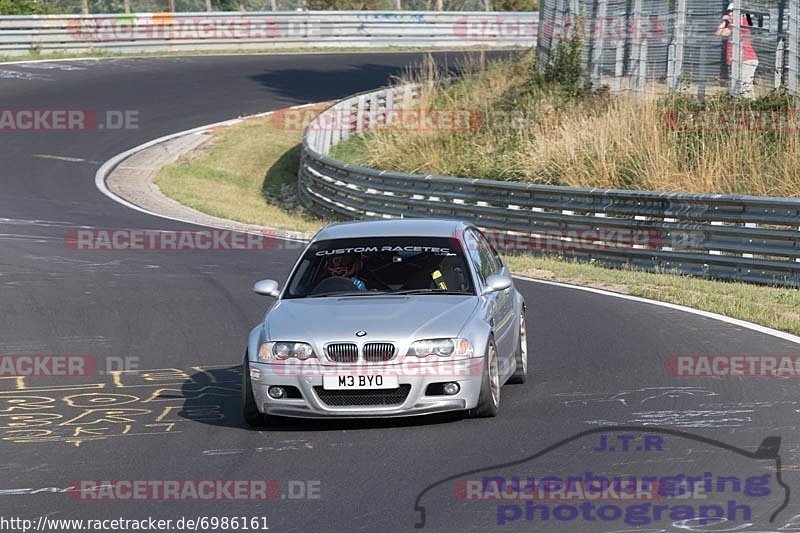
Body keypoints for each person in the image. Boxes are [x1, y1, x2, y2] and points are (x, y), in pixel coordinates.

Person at [716, 3, 759, 99]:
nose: (730, 13)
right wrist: (725, 22)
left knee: (744, 84)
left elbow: (724, 32)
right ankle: (743, 104)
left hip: (746, 59)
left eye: (733, 11)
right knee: (738, 84)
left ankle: (748, 104)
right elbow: (719, 33)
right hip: (737, 60)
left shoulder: (742, 21)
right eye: (729, 11)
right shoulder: (732, 24)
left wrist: (728, 21)